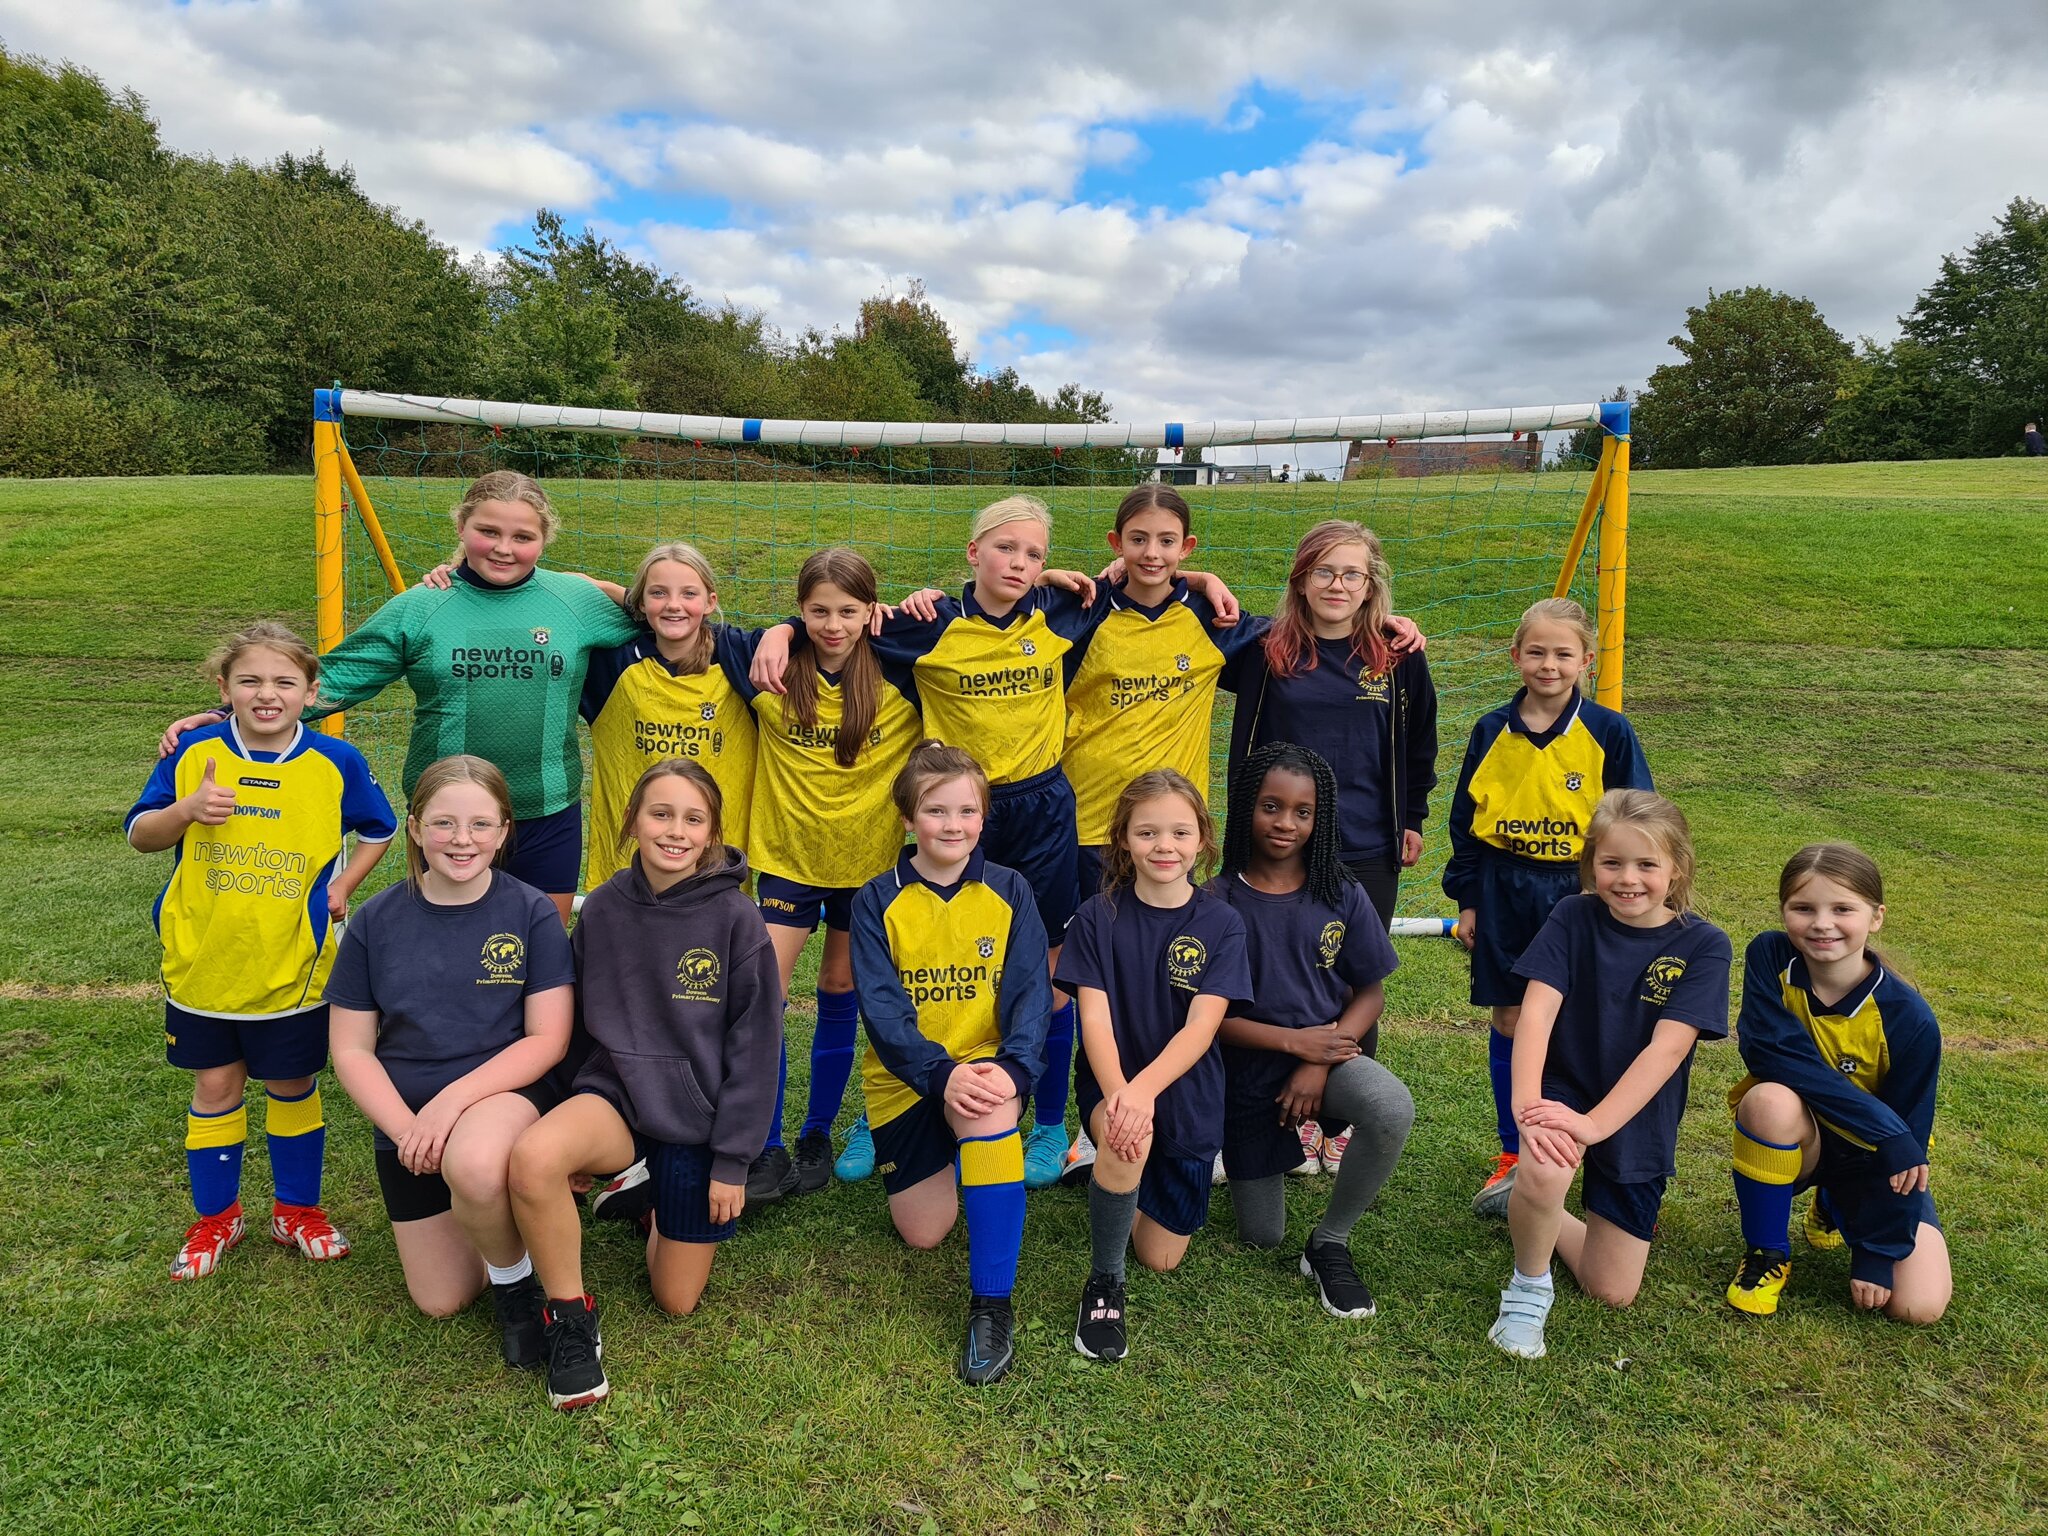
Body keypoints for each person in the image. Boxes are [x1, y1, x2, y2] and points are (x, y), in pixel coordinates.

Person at [750, 497, 1111, 1189]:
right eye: (1006, 548)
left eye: (1034, 553)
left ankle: (1045, 1125)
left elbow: (1147, 579)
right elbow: (842, 619)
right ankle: (886, 1108)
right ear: (973, 551)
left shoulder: (1063, 610)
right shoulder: (927, 624)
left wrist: (1126, 566)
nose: (1021, 563)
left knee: (1052, 974)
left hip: (1041, 810)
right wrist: (786, 626)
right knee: (920, 964)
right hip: (954, 812)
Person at [158, 472, 643, 924]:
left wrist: (597, 585)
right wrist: (226, 715)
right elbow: (340, 677)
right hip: (446, 814)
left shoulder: (573, 601)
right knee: (449, 939)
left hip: (548, 809)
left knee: (537, 946)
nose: (503, 548)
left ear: (545, 540)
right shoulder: (421, 604)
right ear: (461, 525)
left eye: (523, 538)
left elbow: (665, 615)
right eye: (487, 532)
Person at [125, 621, 396, 1281]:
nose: (266, 693)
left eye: (284, 681)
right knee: (216, 1085)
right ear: (225, 689)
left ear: (311, 692)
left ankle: (296, 1209)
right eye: (249, 680)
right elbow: (140, 834)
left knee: (292, 1083)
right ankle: (217, 1217)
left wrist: (342, 885)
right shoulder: (193, 752)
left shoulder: (336, 762)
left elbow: (378, 827)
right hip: (204, 960)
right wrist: (186, 810)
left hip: (295, 968)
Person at [507, 762, 782, 1410]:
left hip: (697, 1121)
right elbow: (573, 1021)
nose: (675, 831)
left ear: (713, 830)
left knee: (675, 1300)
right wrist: (566, 1117)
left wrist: (733, 1162)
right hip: (617, 1095)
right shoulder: (603, 906)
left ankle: (647, 1193)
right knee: (533, 1159)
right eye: (661, 813)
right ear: (632, 820)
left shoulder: (737, 921)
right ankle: (570, 1321)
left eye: (693, 818)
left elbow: (758, 1050)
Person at [325, 755, 574, 1362]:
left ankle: (517, 1289)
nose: (462, 840)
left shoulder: (530, 911)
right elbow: (351, 1048)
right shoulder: (377, 921)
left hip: (502, 1099)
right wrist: (408, 1127)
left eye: (480, 825)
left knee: (476, 1160)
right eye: (443, 824)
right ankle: (504, 1214)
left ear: (503, 832)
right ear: (414, 828)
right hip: (408, 1122)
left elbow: (547, 1040)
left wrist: (446, 1110)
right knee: (442, 1298)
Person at [1221, 518, 1435, 1177]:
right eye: (1324, 571)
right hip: (1277, 846)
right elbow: (1183, 612)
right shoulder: (1266, 647)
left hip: (1365, 843)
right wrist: (1199, 575)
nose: (1337, 585)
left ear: (1371, 584)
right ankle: (1260, 1116)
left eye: (1352, 573)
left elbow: (1420, 740)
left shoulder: (1397, 655)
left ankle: (1336, 1123)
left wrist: (1413, 813)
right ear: (1301, 580)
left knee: (1349, 978)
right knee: (1266, 978)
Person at [1487, 788, 1731, 1360]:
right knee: (1546, 1166)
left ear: (1676, 870)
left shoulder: (1704, 944)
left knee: (1611, 1290)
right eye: (1611, 862)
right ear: (1591, 864)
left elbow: (1665, 1053)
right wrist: (1528, 1107)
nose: (1628, 878)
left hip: (1635, 1108)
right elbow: (1537, 1012)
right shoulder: (1574, 915)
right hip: (1564, 1083)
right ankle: (1527, 1289)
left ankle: (1520, 1201)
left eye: (1647, 864)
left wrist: (1594, 1126)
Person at [848, 741, 1053, 1385]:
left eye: (967, 811)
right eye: (937, 811)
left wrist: (1015, 1071)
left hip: (986, 1068)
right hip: (911, 1081)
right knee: (924, 1233)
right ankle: (959, 1158)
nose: (953, 825)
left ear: (984, 818)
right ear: (908, 818)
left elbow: (1029, 998)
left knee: (989, 1111)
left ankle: (992, 1304)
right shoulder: (875, 899)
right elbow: (883, 1013)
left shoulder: (1011, 890)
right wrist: (939, 1076)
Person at [1443, 597, 1653, 1220]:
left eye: (1564, 654)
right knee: (1512, 1018)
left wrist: (1617, 893)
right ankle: (1514, 1152)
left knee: (1586, 1021)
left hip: (1581, 892)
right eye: (1536, 652)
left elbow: (1637, 819)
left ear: (1586, 660)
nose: (1549, 664)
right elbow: (1467, 821)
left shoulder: (1609, 731)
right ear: (1515, 656)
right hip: (1506, 888)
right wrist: (1470, 898)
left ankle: (1598, 1148)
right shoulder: (1491, 729)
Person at [734, 548, 924, 1201]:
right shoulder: (770, 665)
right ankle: (765, 1144)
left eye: (848, 610)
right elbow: (663, 615)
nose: (833, 624)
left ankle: (818, 1132)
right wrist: (780, 631)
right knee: (765, 994)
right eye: (817, 611)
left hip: (865, 866)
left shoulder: (902, 666)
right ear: (801, 607)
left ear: (872, 610)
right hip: (789, 858)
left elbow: (985, 609)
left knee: (841, 986)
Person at [1213, 743, 1411, 1320]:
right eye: (1271, 807)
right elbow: (1207, 1020)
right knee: (1262, 1235)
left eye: (1303, 812)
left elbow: (1370, 990)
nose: (1286, 823)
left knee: (1392, 1107)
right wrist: (1293, 1044)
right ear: (1246, 807)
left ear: (1319, 819)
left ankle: (1330, 1241)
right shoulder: (1217, 901)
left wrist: (1318, 1059)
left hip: (1324, 1057)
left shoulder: (1339, 891)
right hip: (1247, 1071)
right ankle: (1233, 1149)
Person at [1058, 770, 1251, 1363]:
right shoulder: (1097, 916)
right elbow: (1092, 1020)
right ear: (1122, 841)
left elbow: (1201, 1028)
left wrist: (1144, 1095)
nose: (1163, 846)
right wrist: (1121, 1097)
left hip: (1186, 1092)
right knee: (1124, 1143)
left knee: (1160, 1256)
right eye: (1146, 832)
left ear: (1202, 841)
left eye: (1178, 832)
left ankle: (1119, 1183)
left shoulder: (1222, 923)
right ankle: (1104, 1282)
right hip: (1113, 1081)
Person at [1723, 843, 1950, 1323]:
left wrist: (1877, 1252)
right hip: (1801, 1135)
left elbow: (1904, 1143)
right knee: (1768, 1098)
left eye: (1843, 908)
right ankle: (1767, 1254)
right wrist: (1883, 1128)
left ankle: (1832, 1204)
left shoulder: (1910, 1019)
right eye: (1803, 908)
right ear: (1784, 912)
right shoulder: (1770, 956)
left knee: (1918, 1307)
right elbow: (1770, 1052)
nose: (1822, 923)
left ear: (1876, 917)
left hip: (1872, 1157)